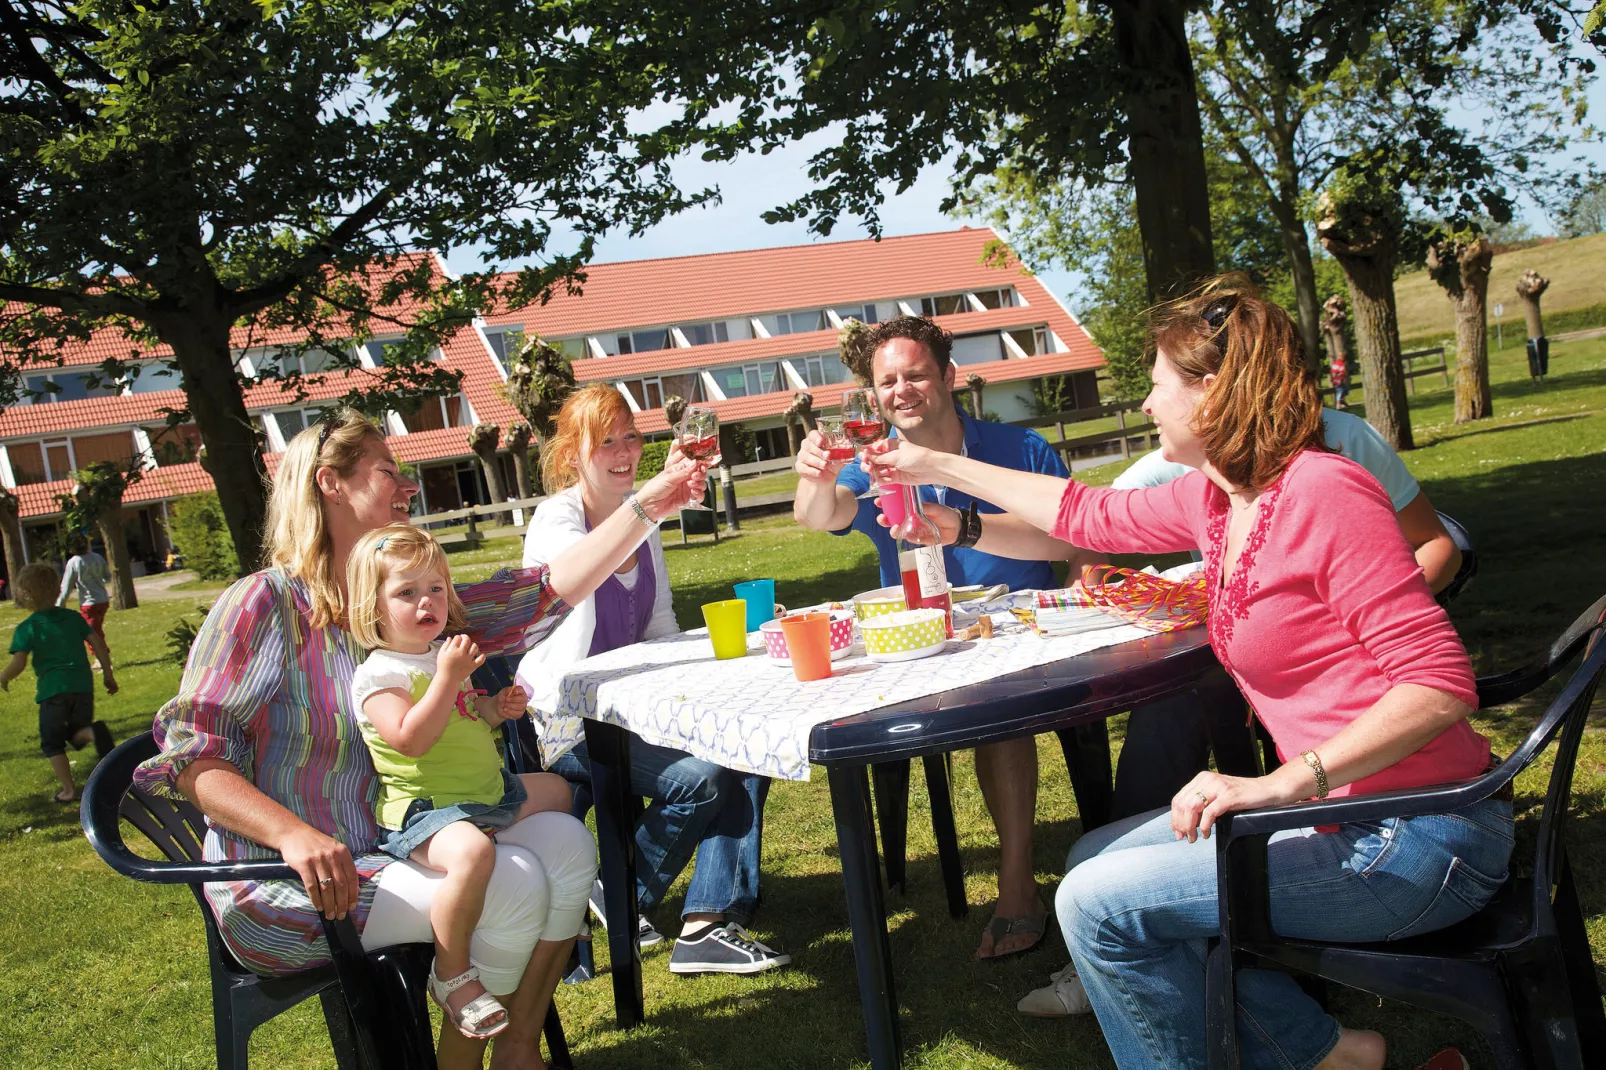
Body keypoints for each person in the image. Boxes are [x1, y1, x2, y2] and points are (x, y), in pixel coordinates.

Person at [867, 277, 1505, 1070]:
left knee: (1096, 907)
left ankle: (1305, 1052)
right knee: (1092, 863)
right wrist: (940, 475)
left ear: (1215, 392)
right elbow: (1082, 516)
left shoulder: (1324, 492)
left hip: (1414, 836)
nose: (1144, 405)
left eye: (1159, 385)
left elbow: (1440, 683)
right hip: (1349, 819)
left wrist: (1281, 784)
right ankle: (1329, 1053)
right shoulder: (1220, 499)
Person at [133, 408, 710, 1070]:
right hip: (291, 886)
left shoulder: (401, 602)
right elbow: (190, 756)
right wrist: (292, 835)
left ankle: (518, 1047)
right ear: (330, 483)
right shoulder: (265, 605)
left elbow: (540, 595)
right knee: (515, 879)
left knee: (569, 845)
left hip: (397, 844)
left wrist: (650, 502)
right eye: (388, 473)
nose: (407, 487)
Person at [794, 315, 1100, 960]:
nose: (901, 390)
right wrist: (816, 477)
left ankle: (1017, 884)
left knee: (1001, 704)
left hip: (1023, 632)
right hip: (921, 638)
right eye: (886, 381)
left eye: (916, 374)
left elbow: (1077, 537)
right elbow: (822, 517)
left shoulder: (1019, 448)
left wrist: (1078, 594)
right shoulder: (872, 463)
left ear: (948, 378)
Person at [517, 384, 790, 975]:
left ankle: (707, 923)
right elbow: (574, 576)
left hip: (635, 708)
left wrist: (702, 688)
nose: (623, 450)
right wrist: (645, 505)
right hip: (571, 721)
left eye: (630, 436)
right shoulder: (554, 520)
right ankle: (620, 891)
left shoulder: (644, 521)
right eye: (605, 442)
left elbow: (660, 621)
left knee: (746, 743)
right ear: (571, 456)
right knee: (701, 778)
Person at [347, 524, 578, 1038]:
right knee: (472, 855)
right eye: (406, 592)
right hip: (429, 811)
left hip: (482, 795)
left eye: (434, 588)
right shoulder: (381, 675)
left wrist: (495, 709)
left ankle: (565, 901)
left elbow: (461, 717)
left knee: (559, 790)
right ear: (372, 606)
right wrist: (450, 677)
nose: (425, 601)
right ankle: (452, 973)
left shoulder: (439, 655)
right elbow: (410, 739)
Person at [2, 562, 118, 803]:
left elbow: (19, 663)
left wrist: (3, 677)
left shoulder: (29, 627)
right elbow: (97, 643)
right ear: (57, 589)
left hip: (52, 691)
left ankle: (68, 790)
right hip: (83, 686)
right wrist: (108, 674)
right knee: (75, 732)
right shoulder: (72, 618)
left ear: (25, 594)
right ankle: (91, 733)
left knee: (52, 742)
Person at [57, 537, 111, 665]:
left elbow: (66, 587)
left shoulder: (74, 562)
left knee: (90, 633)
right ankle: (101, 659)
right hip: (103, 600)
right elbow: (107, 577)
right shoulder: (97, 557)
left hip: (88, 603)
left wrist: (60, 604)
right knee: (96, 630)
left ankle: (102, 659)